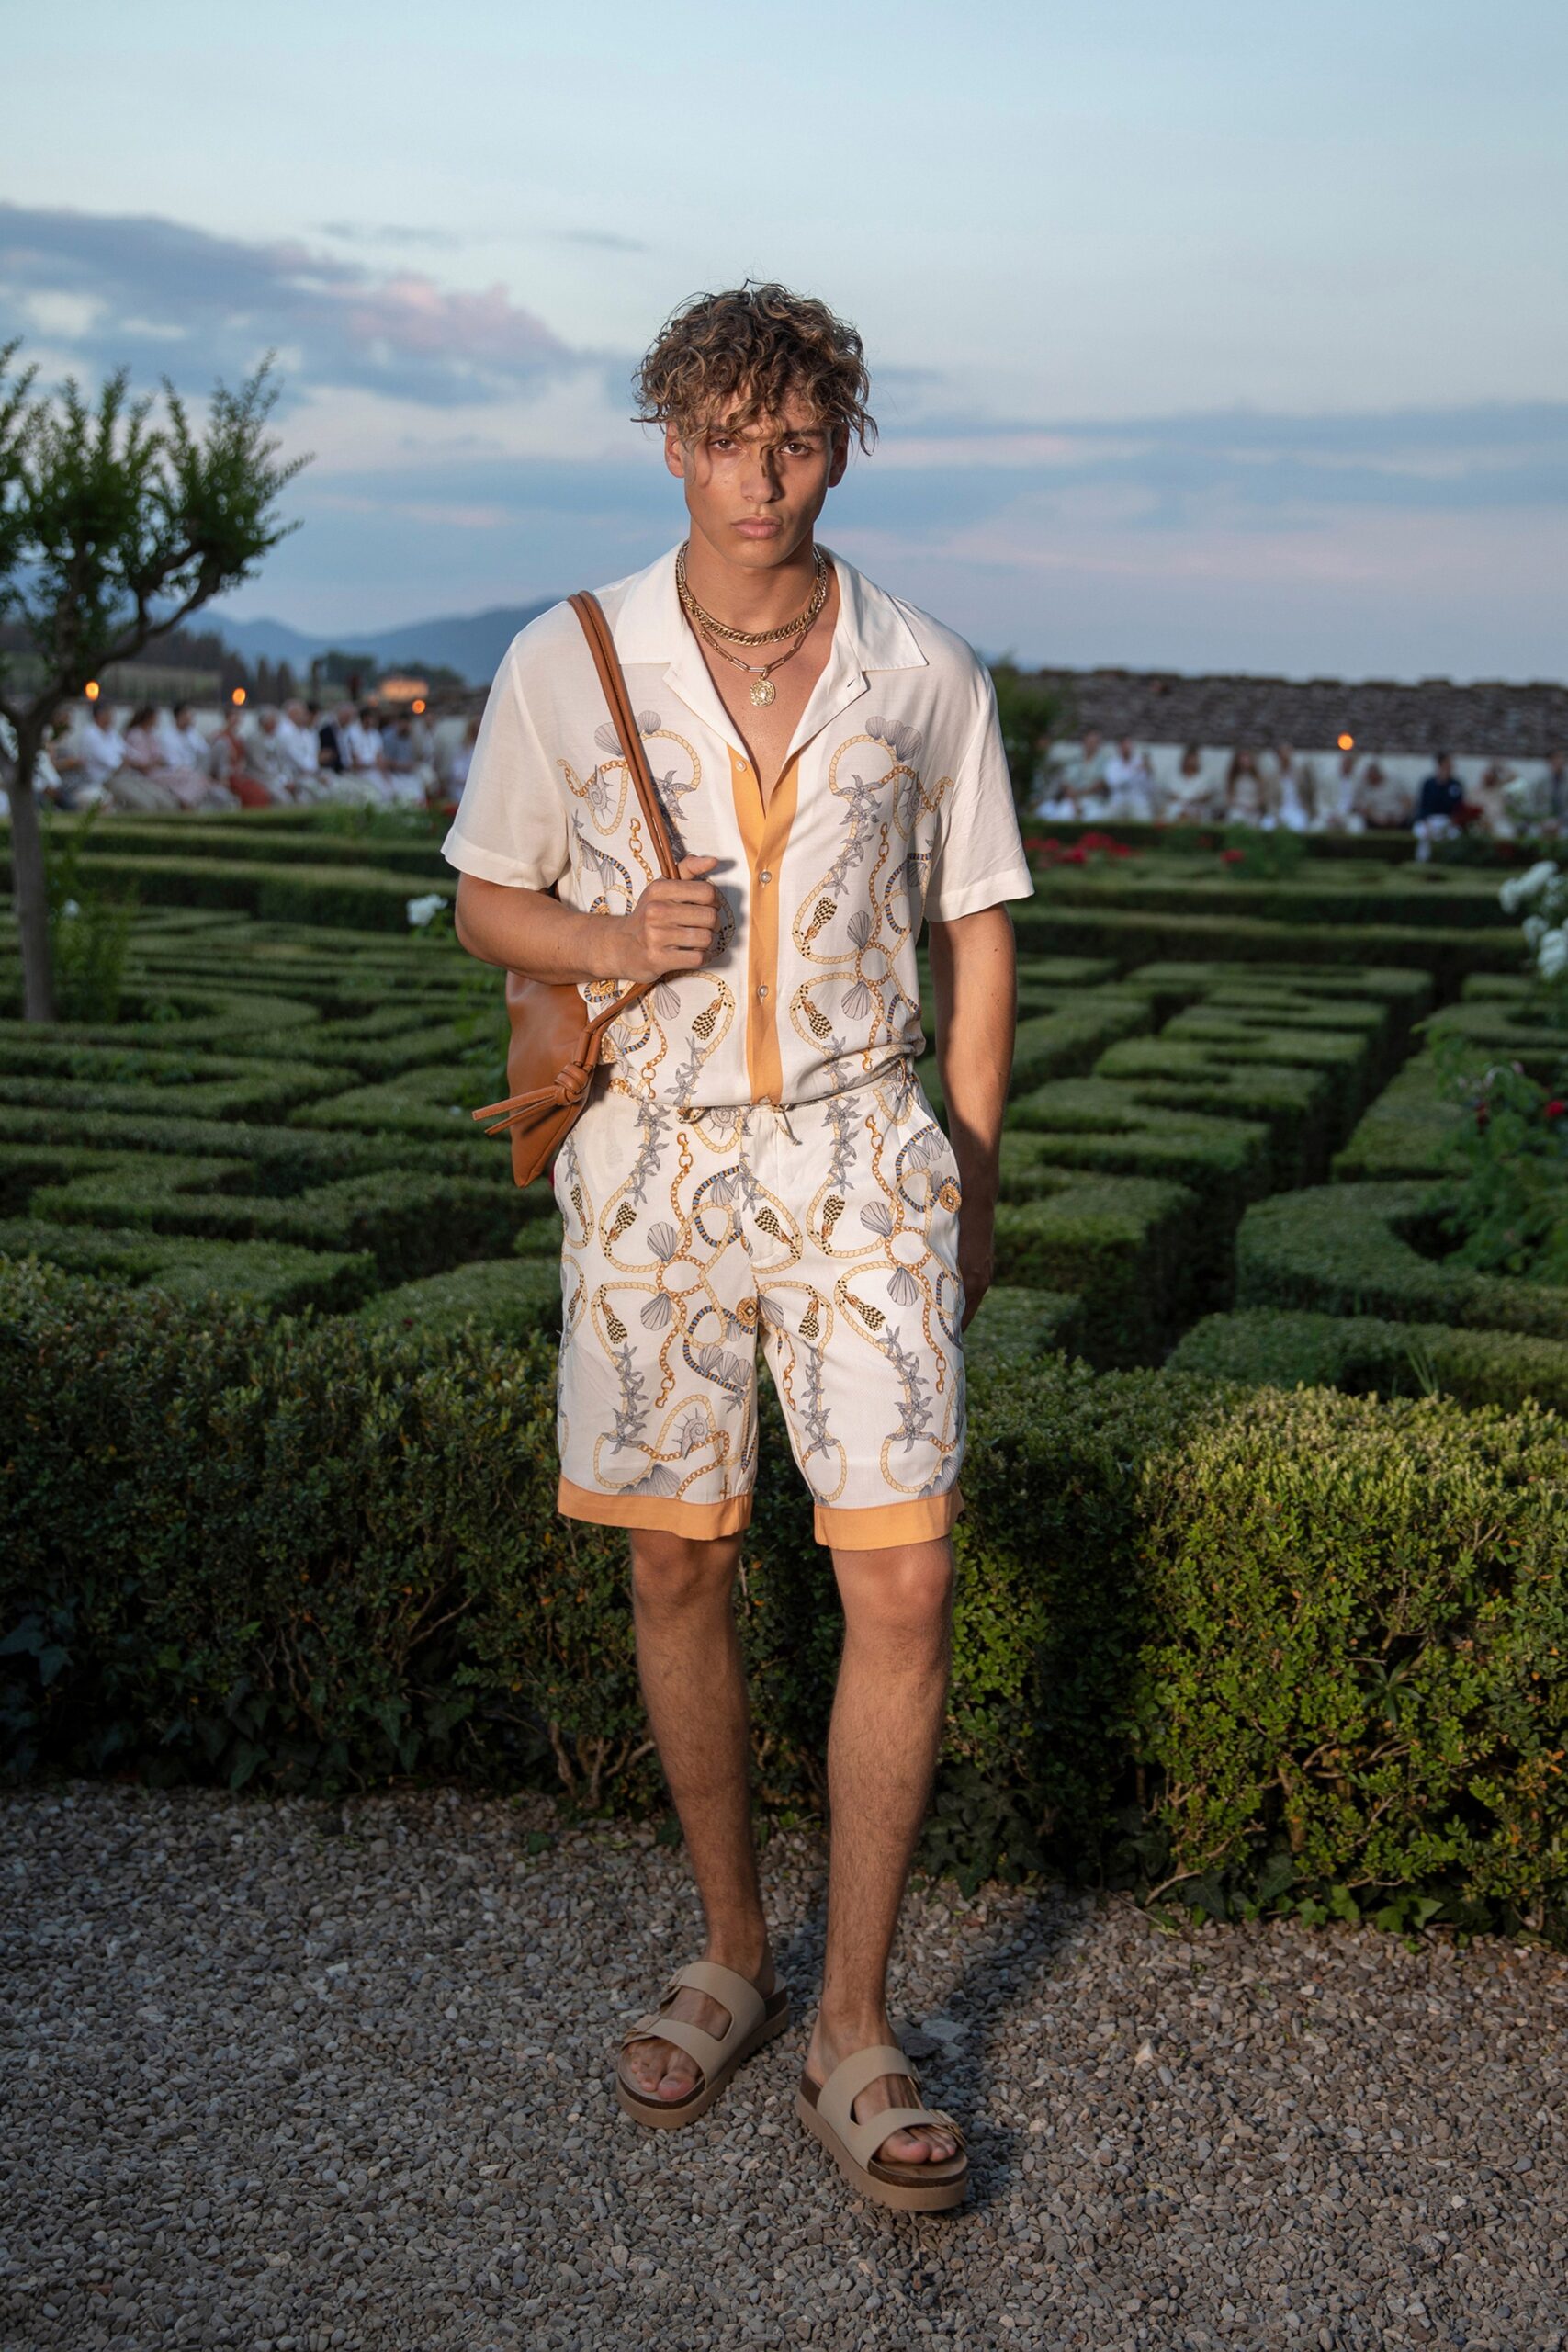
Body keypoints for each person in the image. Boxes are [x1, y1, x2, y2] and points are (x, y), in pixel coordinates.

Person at [446, 284, 1032, 2211]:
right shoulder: (570, 655)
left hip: (867, 1156)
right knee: (676, 1572)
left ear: (840, 442)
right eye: (721, 435)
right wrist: (618, 944)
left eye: (794, 437)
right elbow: (482, 903)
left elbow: (979, 928)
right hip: (652, 1172)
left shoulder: (923, 667)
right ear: (668, 442)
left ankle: (854, 2017)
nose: (757, 477)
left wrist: (970, 1170)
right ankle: (731, 1945)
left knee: (909, 1577)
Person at [1101, 735, 1155, 821]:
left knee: (1145, 819)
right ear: (1119, 747)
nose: (1127, 748)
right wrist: (1134, 770)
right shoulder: (1112, 764)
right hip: (1118, 800)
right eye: (1124, 745)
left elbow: (1149, 788)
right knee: (1104, 819)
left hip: (1137, 801)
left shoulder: (1140, 761)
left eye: (1129, 745)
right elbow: (1114, 783)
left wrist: (1149, 774)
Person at [1354, 758, 1410, 831]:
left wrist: (1400, 817)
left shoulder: (1394, 783)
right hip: (1377, 821)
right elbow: (1364, 808)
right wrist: (1378, 819)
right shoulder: (1366, 788)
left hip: (1398, 818)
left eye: (1373, 775)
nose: (1371, 779)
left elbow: (1407, 801)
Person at [1224, 747, 1270, 825]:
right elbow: (1229, 797)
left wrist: (1254, 805)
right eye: (1243, 759)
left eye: (1247, 759)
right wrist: (1241, 805)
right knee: (1236, 817)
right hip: (1238, 808)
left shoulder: (1258, 778)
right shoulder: (1233, 778)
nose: (1245, 761)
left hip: (1253, 809)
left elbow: (1262, 797)